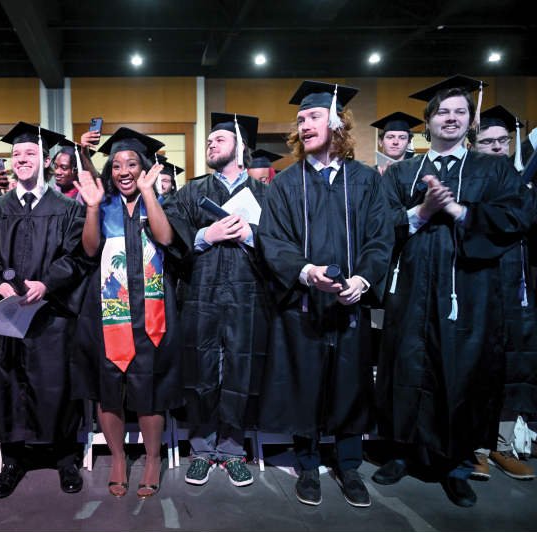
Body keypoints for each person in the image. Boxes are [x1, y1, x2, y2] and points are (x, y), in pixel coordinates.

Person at [374, 75, 533, 507]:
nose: (451, 117)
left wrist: (459, 210)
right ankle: (401, 452)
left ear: (471, 120)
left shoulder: (493, 168)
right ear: (427, 122)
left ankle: (457, 465)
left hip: (470, 287)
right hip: (410, 287)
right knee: (405, 365)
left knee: (463, 370)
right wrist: (422, 211)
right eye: (442, 111)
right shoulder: (403, 171)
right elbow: (379, 225)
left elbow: (517, 218)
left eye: (460, 111)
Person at [256, 81, 393, 508]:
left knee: (351, 383)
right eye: (301, 119)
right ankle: (309, 464)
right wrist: (305, 271)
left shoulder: (366, 181)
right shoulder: (285, 183)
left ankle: (349, 466)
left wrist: (363, 281)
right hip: (303, 304)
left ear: (337, 123)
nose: (304, 123)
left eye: (314, 116)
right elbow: (272, 240)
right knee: (303, 381)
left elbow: (380, 238)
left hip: (349, 306)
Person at [72, 128, 190, 499]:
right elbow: (89, 251)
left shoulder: (161, 201)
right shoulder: (101, 203)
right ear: (110, 171)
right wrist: (91, 206)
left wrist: (149, 193)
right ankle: (119, 459)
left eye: (132, 163)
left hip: (153, 309)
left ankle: (152, 459)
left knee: (150, 381)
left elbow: (167, 239)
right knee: (108, 384)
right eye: (118, 164)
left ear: (143, 168)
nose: (124, 170)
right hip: (108, 307)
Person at [0, 122, 89, 499]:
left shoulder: (68, 209)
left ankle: (65, 458)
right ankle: (13, 461)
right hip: (9, 314)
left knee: (55, 383)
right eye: (17, 154)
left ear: (45, 161)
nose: (22, 160)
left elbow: (78, 256)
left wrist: (48, 282)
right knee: (9, 383)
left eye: (30, 154)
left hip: (51, 314)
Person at [165, 112, 266, 488]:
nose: (211, 144)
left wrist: (250, 235)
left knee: (241, 367)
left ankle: (233, 450)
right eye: (209, 141)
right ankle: (202, 450)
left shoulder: (264, 193)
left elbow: (281, 245)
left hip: (248, 295)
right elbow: (173, 238)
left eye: (219, 140)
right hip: (201, 295)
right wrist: (207, 233)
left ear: (240, 146)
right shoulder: (191, 191)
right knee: (201, 366)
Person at [466, 105, 537, 482]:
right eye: (488, 141)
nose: (496, 147)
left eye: (503, 141)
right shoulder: (471, 181)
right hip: (480, 279)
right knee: (479, 360)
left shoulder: (522, 182)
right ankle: (474, 445)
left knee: (517, 359)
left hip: (518, 282)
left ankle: (503, 444)